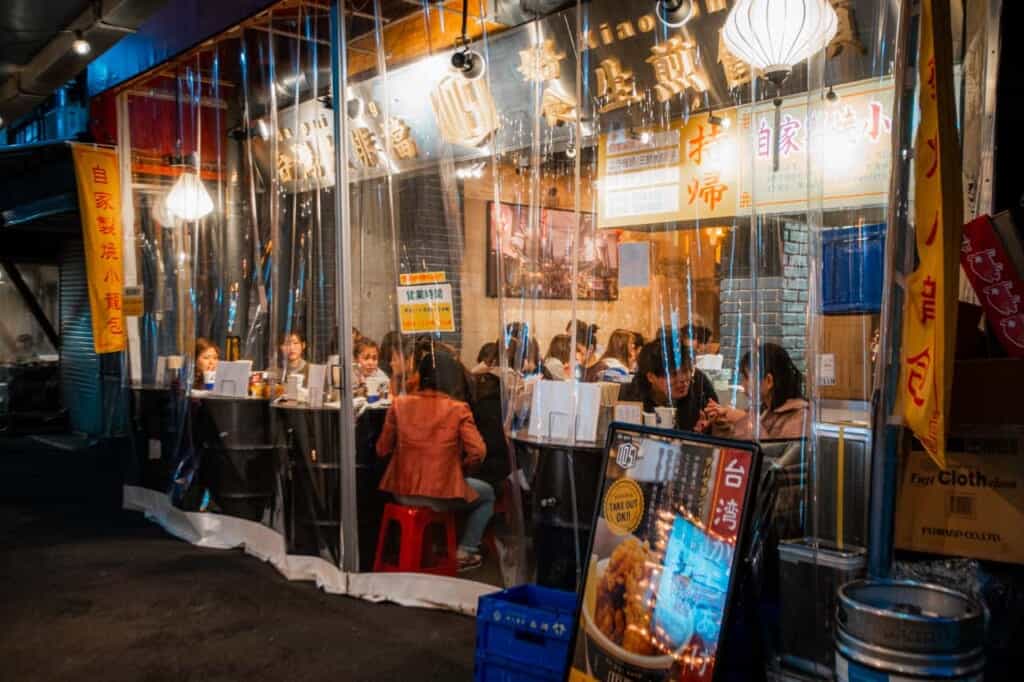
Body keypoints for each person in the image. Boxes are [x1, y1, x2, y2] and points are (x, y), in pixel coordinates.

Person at [375, 350, 493, 571]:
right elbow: (479, 451)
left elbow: (382, 449)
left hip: (400, 492)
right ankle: (465, 552)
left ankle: (431, 549)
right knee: (487, 495)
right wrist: (461, 470)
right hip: (441, 494)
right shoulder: (458, 409)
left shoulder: (399, 404)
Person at [706, 343, 809, 440]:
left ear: (769, 381)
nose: (742, 384)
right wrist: (723, 424)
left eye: (746, 378)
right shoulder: (762, 410)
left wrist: (744, 420)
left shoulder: (799, 418)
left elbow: (775, 455)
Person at [618, 334, 718, 432]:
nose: (683, 380)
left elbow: (717, 431)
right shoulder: (631, 397)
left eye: (686, 370)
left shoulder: (699, 385)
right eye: (673, 374)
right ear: (651, 377)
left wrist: (710, 428)